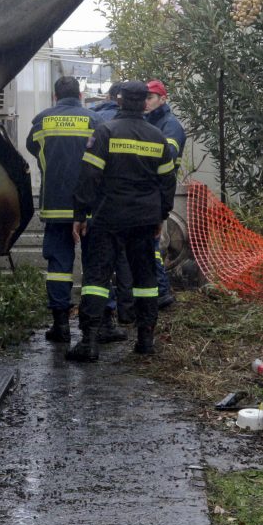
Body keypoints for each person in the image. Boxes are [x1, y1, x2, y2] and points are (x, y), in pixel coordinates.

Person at [68, 80, 177, 360]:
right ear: (143, 104)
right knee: (146, 280)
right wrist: (161, 216)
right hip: (144, 220)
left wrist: (80, 214)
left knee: (96, 278)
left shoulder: (105, 132)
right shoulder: (157, 137)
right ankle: (145, 341)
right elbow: (167, 182)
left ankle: (89, 343)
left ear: (119, 101)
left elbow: (88, 176)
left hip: (108, 217)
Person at [26, 77, 126, 345]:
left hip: (56, 205)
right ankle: (104, 322)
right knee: (98, 264)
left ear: (55, 96)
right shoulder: (95, 121)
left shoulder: (42, 121)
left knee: (58, 265)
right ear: (81, 96)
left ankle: (60, 326)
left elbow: (32, 147)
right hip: (92, 206)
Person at [145, 79, 187, 309]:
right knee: (150, 246)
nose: (146, 102)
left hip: (157, 193)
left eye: (150, 97)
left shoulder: (170, 125)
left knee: (153, 246)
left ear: (163, 99)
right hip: (151, 193)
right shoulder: (153, 122)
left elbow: (165, 158)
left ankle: (161, 292)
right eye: (144, 98)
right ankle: (158, 292)